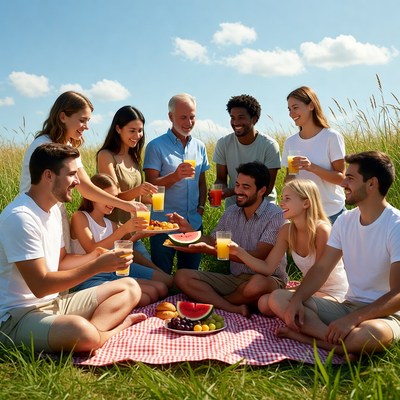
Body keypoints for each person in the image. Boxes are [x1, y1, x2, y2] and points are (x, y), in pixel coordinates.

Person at [0, 143, 146, 353]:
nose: (78, 181)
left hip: (54, 304)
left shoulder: (53, 212)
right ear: (48, 176)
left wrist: (97, 254)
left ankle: (89, 336)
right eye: (71, 174)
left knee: (130, 286)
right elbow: (40, 285)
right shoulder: (20, 218)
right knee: (80, 331)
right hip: (17, 317)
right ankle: (99, 334)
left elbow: (61, 263)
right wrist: (96, 266)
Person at [268, 151, 400, 356]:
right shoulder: (345, 221)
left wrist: (353, 320)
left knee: (370, 334)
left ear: (372, 184)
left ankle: (305, 337)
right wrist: (296, 300)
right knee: (278, 298)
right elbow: (321, 268)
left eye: (350, 178)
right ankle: (340, 343)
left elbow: (398, 294)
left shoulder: (395, 225)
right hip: (347, 306)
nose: (343, 183)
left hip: (386, 315)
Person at [19, 91, 146, 252]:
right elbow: (85, 188)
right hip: (35, 214)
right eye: (82, 120)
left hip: (54, 213)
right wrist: (125, 204)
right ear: (63, 117)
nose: (86, 126)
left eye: (88, 121)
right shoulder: (44, 147)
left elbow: (84, 184)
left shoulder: (69, 148)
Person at [173, 162, 287, 318]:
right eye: (237, 185)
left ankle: (220, 303)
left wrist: (210, 252)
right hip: (236, 280)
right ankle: (236, 306)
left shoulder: (275, 215)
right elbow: (213, 240)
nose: (238, 191)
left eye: (246, 187)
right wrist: (190, 231)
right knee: (182, 276)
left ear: (262, 191)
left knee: (256, 284)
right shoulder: (231, 212)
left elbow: (259, 255)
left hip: (268, 280)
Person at [228, 179, 348, 317]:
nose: (281, 203)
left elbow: (320, 275)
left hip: (333, 293)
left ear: (306, 203)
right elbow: (267, 267)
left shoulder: (322, 230)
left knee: (276, 299)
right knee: (264, 303)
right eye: (281, 198)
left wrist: (295, 293)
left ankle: (300, 328)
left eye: (287, 199)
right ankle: (300, 321)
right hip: (308, 290)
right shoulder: (287, 230)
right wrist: (239, 251)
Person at [70, 173, 173, 306]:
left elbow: (128, 252)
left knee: (165, 285)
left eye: (115, 197)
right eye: (108, 197)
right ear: (93, 196)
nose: (113, 202)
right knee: (150, 294)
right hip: (91, 276)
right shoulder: (80, 217)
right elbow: (92, 249)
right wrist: (124, 229)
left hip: (115, 271)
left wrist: (138, 236)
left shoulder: (111, 224)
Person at [143, 93, 210, 274]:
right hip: (163, 225)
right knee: (162, 278)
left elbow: (201, 183)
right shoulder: (155, 146)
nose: (188, 122)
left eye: (192, 117)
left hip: (193, 223)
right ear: (171, 117)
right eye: (183, 117)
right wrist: (175, 176)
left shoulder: (200, 146)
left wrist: (201, 209)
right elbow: (150, 187)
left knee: (190, 278)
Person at [96, 106, 158, 263]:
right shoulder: (106, 156)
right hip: (115, 234)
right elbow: (112, 198)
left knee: (154, 275)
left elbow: (137, 199)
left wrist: (151, 198)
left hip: (134, 233)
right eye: (132, 130)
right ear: (118, 128)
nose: (137, 135)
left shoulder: (134, 157)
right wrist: (138, 190)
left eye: (140, 130)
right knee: (146, 278)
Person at [282, 86, 346, 223]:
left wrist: (311, 167)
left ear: (311, 105)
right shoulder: (290, 142)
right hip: (303, 216)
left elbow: (341, 179)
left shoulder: (331, 137)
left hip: (332, 214)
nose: (291, 113)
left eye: (295, 107)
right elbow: (289, 181)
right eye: (289, 109)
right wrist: (292, 175)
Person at [212, 94, 281, 208]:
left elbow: (266, 188)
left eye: (241, 117)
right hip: (235, 208)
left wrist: (233, 191)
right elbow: (220, 178)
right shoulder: (223, 143)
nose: (236, 122)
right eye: (232, 117)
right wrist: (219, 190)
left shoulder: (270, 145)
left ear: (254, 119)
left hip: (264, 208)